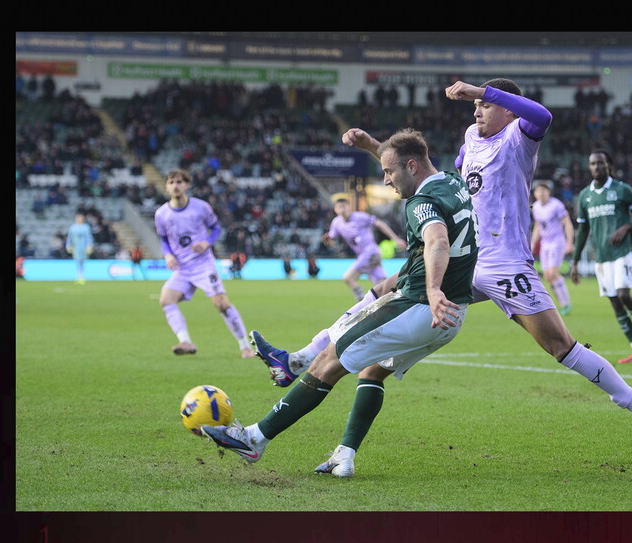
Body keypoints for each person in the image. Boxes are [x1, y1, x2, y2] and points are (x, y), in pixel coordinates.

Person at [249, 79, 632, 476]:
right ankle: (317, 394)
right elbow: (428, 177)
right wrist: (373, 147)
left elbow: (542, 116)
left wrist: (481, 88)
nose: (477, 110)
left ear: (507, 110)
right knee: (382, 310)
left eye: (485, 105)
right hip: (467, 260)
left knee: (561, 346)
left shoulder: (520, 138)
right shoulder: (470, 143)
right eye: (475, 105)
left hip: (507, 263)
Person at [202, 129, 479, 474]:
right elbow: (404, 164)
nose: (386, 180)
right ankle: (343, 455)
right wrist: (369, 146)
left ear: (411, 166)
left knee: (328, 361)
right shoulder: (451, 181)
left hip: (422, 307)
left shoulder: (421, 203)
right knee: (372, 370)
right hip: (452, 316)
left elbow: (437, 241)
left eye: (389, 173)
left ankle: (255, 438)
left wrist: (434, 289)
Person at [570, 149, 632, 364]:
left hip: (623, 252)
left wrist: (626, 228)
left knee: (624, 295)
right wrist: (574, 262)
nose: (596, 167)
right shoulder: (585, 196)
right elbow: (582, 231)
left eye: (600, 163)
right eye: (593, 164)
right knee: (615, 302)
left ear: (608, 165)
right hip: (602, 256)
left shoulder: (622, 190)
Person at [154, 168, 254, 358]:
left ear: (187, 185)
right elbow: (164, 239)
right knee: (166, 300)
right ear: (166, 186)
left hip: (203, 265)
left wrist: (207, 242)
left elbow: (216, 228)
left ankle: (245, 347)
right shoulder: (161, 214)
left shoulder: (201, 207)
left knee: (221, 303)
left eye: (179, 181)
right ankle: (185, 341)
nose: (175, 185)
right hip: (182, 268)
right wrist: (167, 255)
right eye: (171, 182)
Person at [322, 197, 406, 301]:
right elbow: (331, 240)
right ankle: (398, 297)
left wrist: (396, 239)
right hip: (363, 256)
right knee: (383, 284)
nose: (342, 210)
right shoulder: (336, 223)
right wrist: (327, 240)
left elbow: (379, 224)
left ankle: (362, 303)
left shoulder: (360, 216)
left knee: (348, 277)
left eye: (344, 206)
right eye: (339, 207)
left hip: (371, 252)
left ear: (349, 207)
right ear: (335, 209)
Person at [530, 179, 574, 315]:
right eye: (538, 191)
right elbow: (537, 226)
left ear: (548, 192)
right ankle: (562, 304)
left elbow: (567, 223)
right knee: (548, 276)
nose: (541, 193)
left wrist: (569, 242)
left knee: (553, 273)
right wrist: (532, 243)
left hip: (557, 242)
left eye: (544, 190)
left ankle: (566, 304)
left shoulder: (556, 205)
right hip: (545, 244)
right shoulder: (536, 207)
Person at [65, 213, 94, 284]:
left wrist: (90, 245)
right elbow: (69, 237)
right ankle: (79, 276)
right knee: (77, 260)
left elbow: (89, 237)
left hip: (83, 247)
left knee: (82, 261)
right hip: (76, 247)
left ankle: (82, 276)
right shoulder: (72, 227)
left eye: (81, 218)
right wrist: (68, 245)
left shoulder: (86, 227)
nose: (79, 219)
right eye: (78, 218)